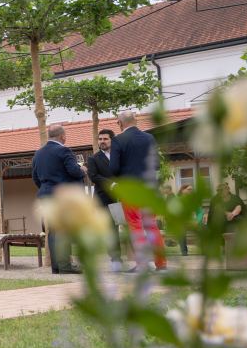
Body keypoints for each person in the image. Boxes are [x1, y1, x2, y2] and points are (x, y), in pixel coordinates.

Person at [110, 111, 167, 272]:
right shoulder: (149, 138)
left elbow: (113, 168)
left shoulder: (118, 140)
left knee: (135, 225)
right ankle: (161, 263)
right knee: (152, 226)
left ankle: (142, 264)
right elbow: (156, 164)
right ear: (136, 120)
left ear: (120, 123)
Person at [32, 124, 87, 274]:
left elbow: (35, 178)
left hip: (45, 195)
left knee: (53, 231)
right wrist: (82, 169)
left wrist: (46, 189)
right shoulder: (64, 150)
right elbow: (74, 171)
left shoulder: (38, 153)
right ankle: (65, 266)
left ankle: (56, 266)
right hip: (62, 196)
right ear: (62, 136)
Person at [86, 128, 124, 271]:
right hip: (103, 199)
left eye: (105, 139)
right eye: (100, 139)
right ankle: (115, 261)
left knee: (124, 228)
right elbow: (94, 176)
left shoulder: (119, 156)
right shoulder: (93, 158)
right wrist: (112, 184)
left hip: (121, 197)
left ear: (111, 140)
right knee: (109, 230)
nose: (102, 141)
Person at [178, 184, 204, 256]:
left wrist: (197, 221)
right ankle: (184, 252)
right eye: (189, 189)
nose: (191, 191)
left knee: (202, 228)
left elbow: (200, 212)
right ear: (183, 190)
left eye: (191, 190)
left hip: (193, 222)